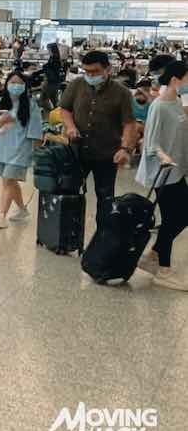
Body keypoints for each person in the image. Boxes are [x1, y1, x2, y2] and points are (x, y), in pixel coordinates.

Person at [59, 51, 136, 224]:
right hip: (77, 151)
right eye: (86, 71)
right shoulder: (77, 85)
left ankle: (102, 234)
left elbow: (129, 124)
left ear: (107, 69)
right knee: (70, 190)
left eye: (94, 72)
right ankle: (68, 233)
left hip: (107, 154)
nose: (90, 76)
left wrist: (125, 149)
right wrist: (70, 126)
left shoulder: (122, 93)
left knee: (105, 196)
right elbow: (65, 109)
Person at [135, 61, 188, 290]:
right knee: (171, 218)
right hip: (162, 171)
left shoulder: (177, 102)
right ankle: (163, 270)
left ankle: (153, 255)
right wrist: (163, 156)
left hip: (178, 170)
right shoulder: (158, 106)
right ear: (176, 79)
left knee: (181, 216)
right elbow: (151, 142)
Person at [0, 72, 44, 229]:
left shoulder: (31, 106)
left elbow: (36, 132)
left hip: (20, 149)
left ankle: (1, 216)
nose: (16, 86)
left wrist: (36, 154)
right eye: (12, 82)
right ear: (6, 84)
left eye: (20, 83)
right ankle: (22, 210)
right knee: (10, 181)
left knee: (7, 180)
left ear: (25, 86)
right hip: (0, 149)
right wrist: (0, 121)